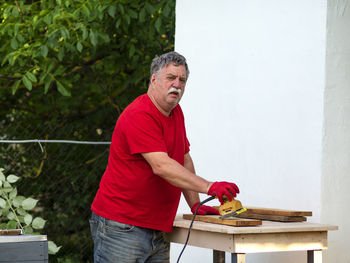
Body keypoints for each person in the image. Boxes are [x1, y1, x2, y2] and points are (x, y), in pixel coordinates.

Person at [90, 51, 240, 263]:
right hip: (122, 226)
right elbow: (161, 165)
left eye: (182, 80)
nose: (177, 85)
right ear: (154, 79)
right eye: (171, 78)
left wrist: (195, 204)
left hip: (157, 227)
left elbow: (183, 159)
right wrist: (209, 186)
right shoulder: (140, 114)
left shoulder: (176, 113)